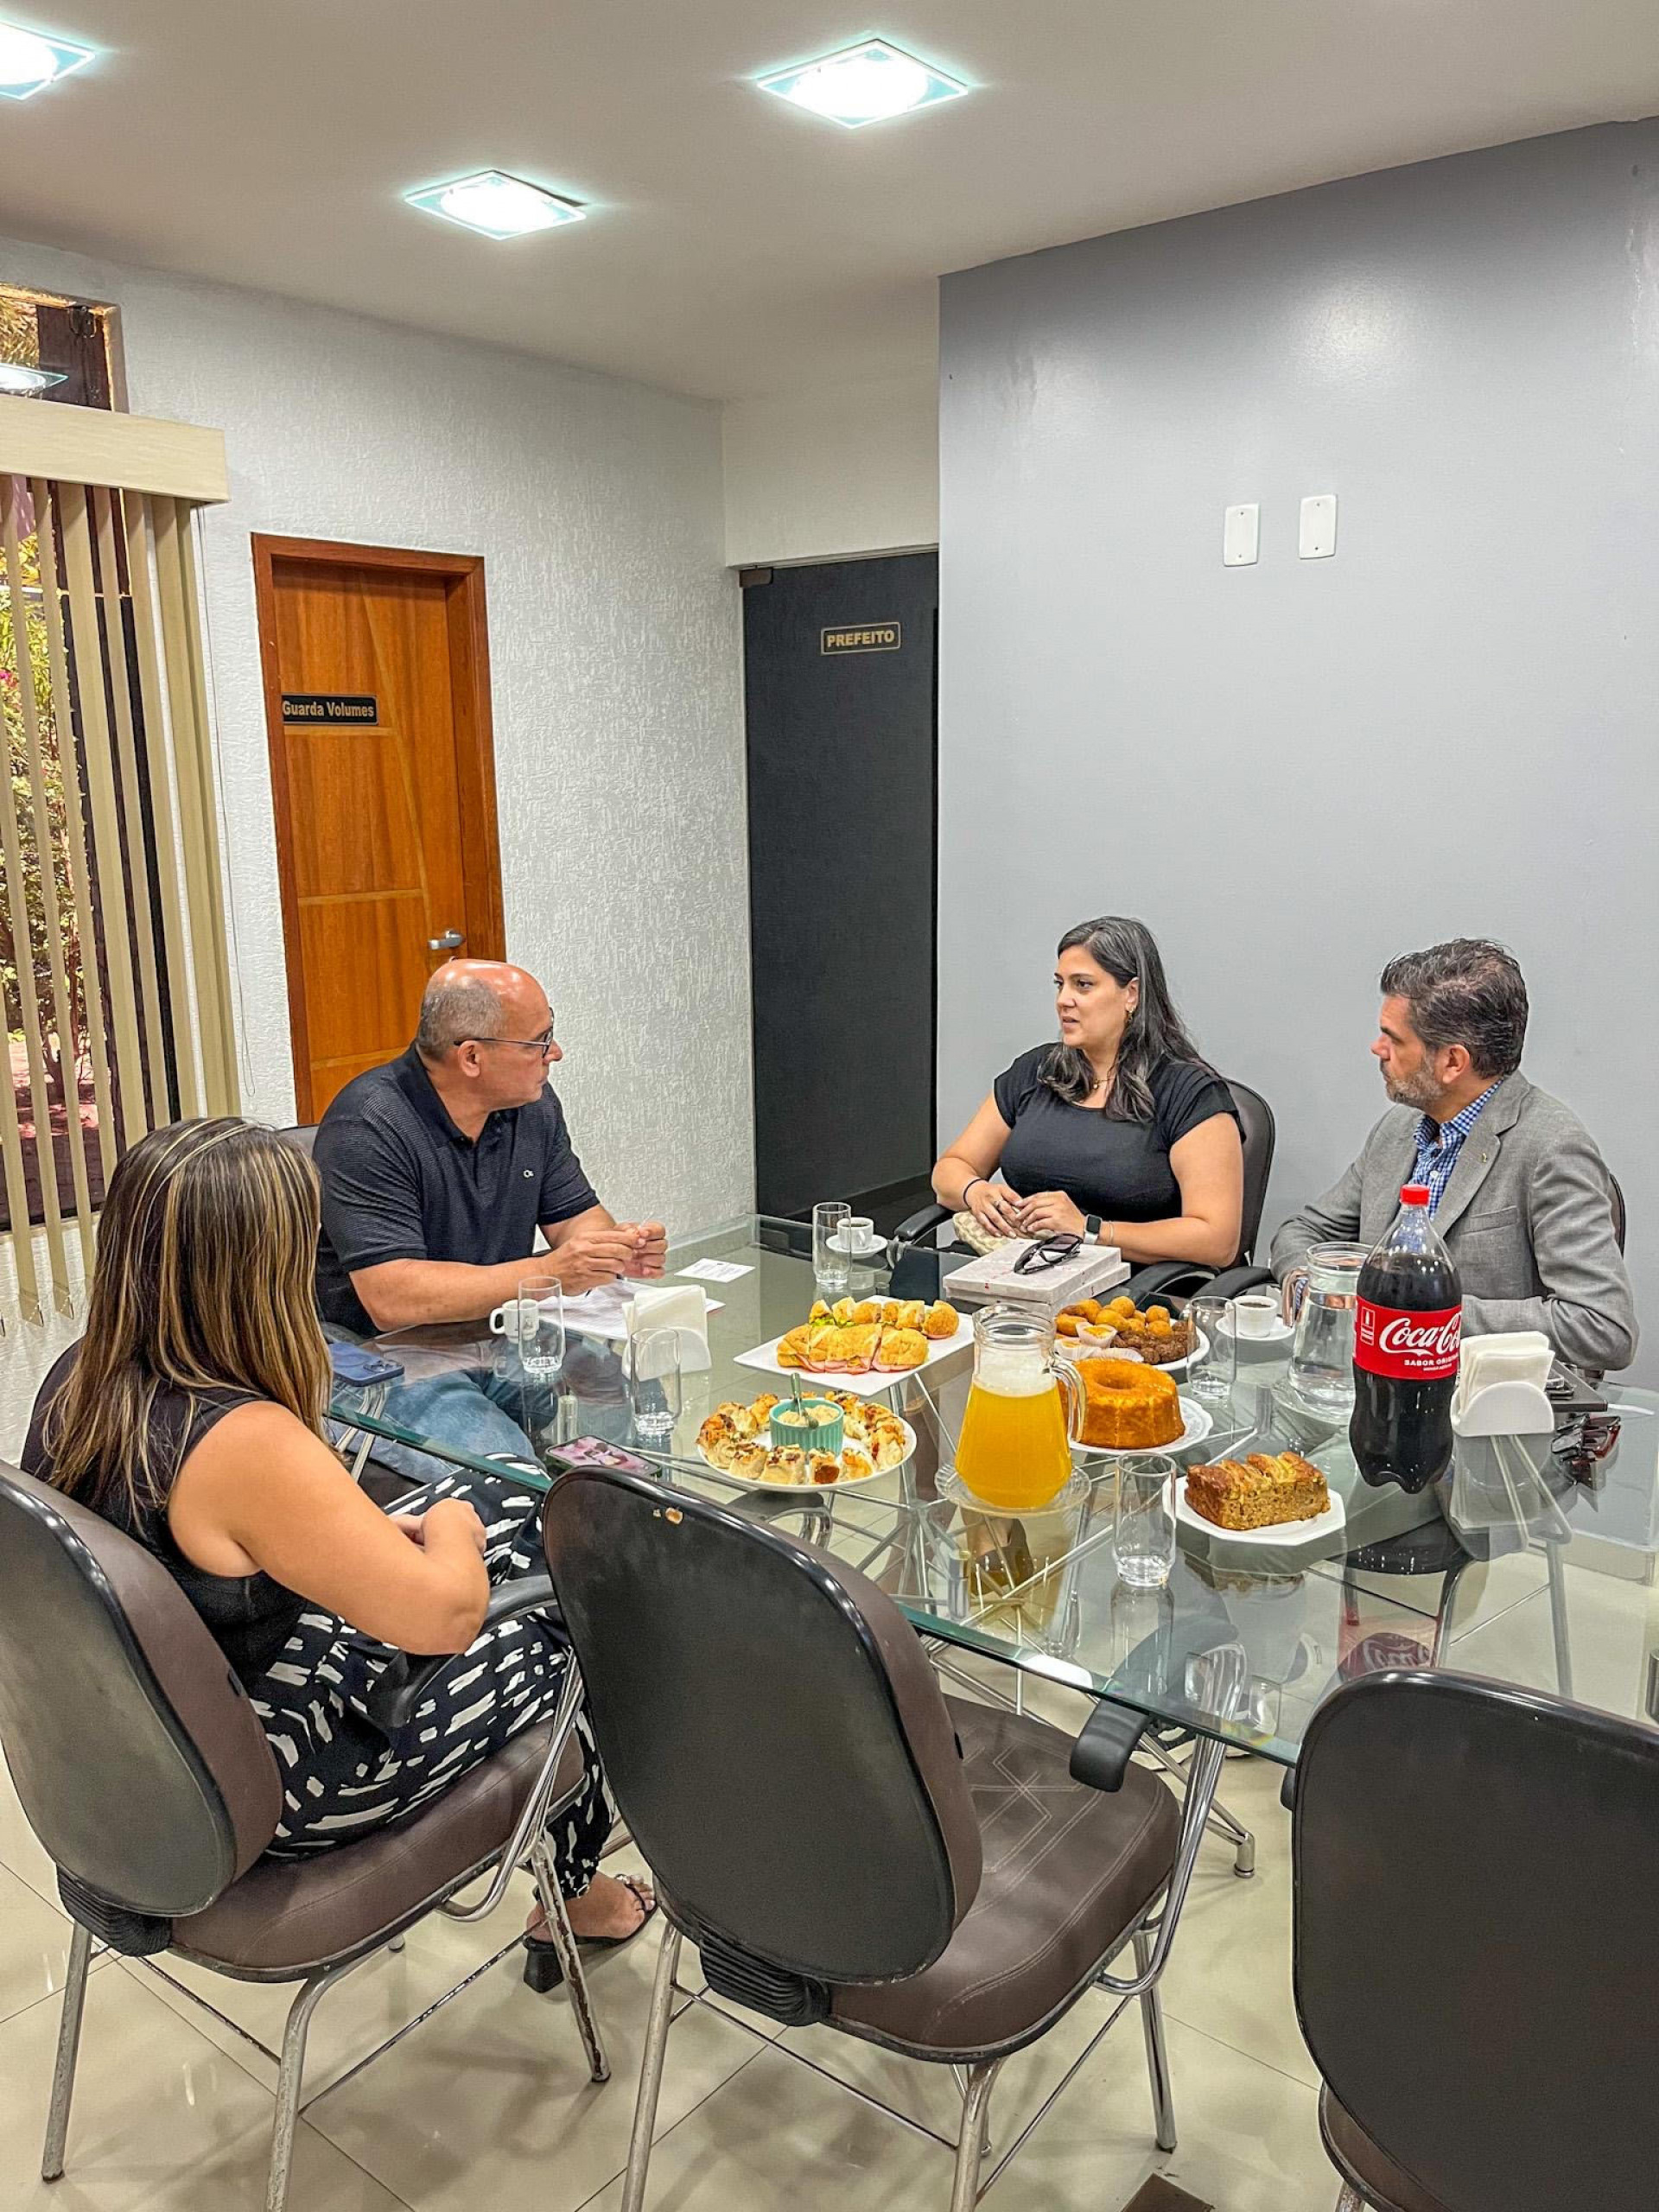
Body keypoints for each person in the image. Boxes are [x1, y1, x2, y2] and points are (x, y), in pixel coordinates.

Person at [22, 1119, 653, 1982]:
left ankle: (576, 1875)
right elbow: (449, 1616)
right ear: (261, 1267)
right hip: (275, 1779)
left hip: (148, 1751)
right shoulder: (244, 1441)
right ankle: (577, 1900)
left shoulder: (80, 1380)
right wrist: (455, 1539)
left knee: (513, 1498)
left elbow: (209, 1552)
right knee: (579, 1620)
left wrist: (395, 1532)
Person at [314, 959, 667, 1468]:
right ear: (472, 1057)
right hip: (379, 1356)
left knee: (641, 1402)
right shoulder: (369, 1125)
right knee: (503, 1470)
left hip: (498, 1330)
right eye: (539, 1041)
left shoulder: (531, 1106)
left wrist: (613, 1248)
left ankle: (629, 1539)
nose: (556, 1054)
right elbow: (391, 1296)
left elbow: (577, 1218)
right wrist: (552, 1271)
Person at [1271, 938, 1637, 1373]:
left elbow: (1602, 1327)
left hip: (1478, 1412)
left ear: (1452, 1062)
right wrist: (1311, 1286)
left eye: (1393, 1038)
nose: (1377, 1048)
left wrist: (1423, 1314)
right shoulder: (1398, 1130)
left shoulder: (1551, 1147)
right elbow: (1303, 1230)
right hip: (1362, 1388)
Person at [931, 917, 1243, 1267]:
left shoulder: (1190, 1093)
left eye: (1083, 985)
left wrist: (1090, 1231)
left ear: (1132, 994)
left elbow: (1217, 1240)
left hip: (1128, 1293)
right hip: (1018, 1270)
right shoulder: (1036, 1071)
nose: (1064, 1000)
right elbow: (950, 1170)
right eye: (1060, 984)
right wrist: (976, 1192)